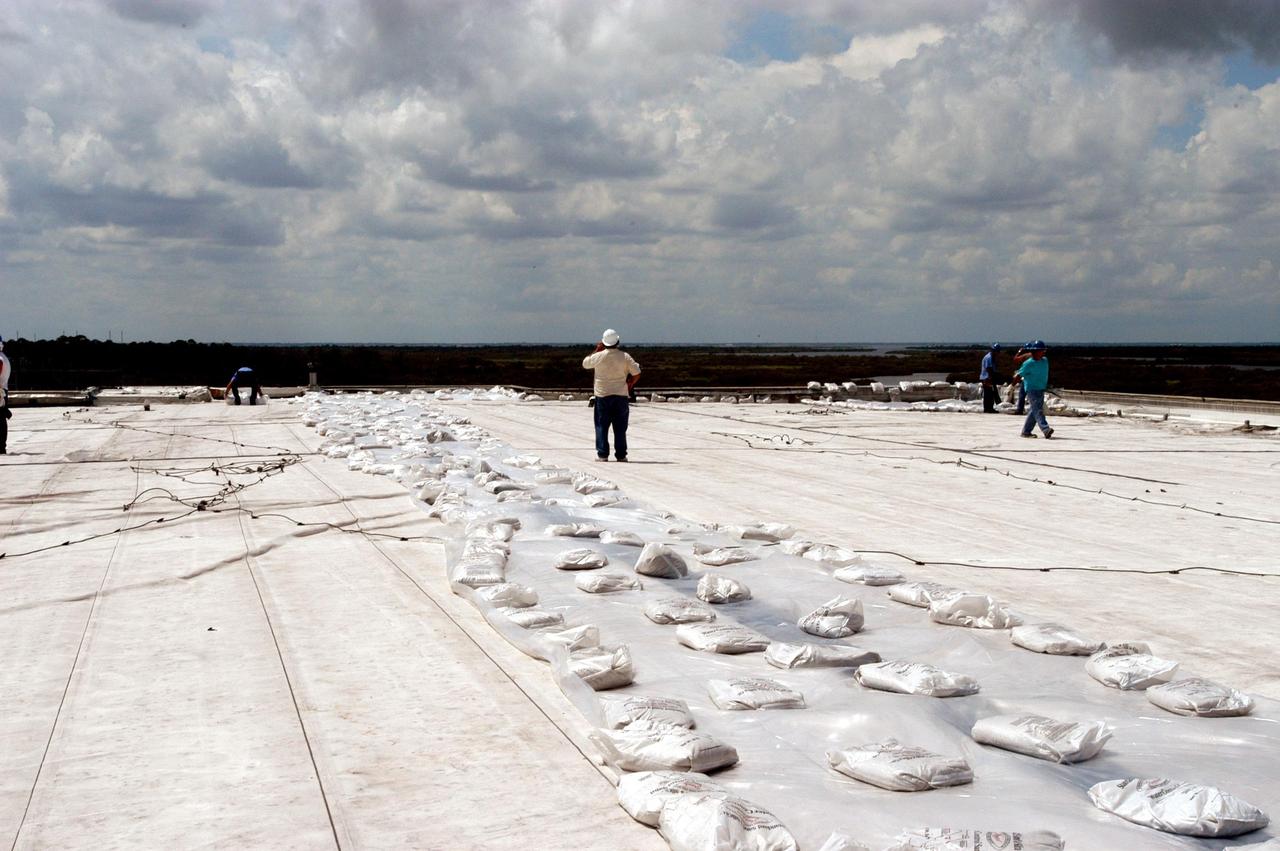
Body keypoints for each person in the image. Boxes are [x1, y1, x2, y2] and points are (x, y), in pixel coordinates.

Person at [582, 328, 640, 461]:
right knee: (620, 427)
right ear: (617, 341)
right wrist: (630, 384)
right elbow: (637, 372)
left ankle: (602, 454)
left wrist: (597, 350)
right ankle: (621, 455)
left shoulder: (599, 356)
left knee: (602, 426)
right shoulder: (625, 357)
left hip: (603, 396)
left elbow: (585, 363)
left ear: (603, 343)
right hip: (620, 396)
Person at [1015, 340, 1054, 439]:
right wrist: (1013, 384)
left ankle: (1026, 431)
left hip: (1040, 388)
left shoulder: (1045, 361)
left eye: (1040, 351)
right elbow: (1019, 374)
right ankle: (1045, 429)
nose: (1037, 353)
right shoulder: (1028, 363)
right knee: (1038, 411)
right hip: (1032, 389)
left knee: (1034, 410)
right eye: (1036, 351)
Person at [979, 343, 1002, 413]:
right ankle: (987, 408)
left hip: (989, 377)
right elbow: (988, 368)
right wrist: (991, 377)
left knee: (991, 393)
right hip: (987, 378)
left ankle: (990, 407)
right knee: (988, 394)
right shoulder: (988, 357)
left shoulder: (992, 357)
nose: (997, 353)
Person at [1011, 343, 1033, 415]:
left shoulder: (1026, 356)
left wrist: (1019, 351)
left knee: (1022, 394)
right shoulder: (1035, 356)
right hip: (1034, 377)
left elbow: (1015, 359)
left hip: (1026, 377)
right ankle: (1034, 409)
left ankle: (1020, 409)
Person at [0, 336, 11, 455]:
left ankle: (1, 447)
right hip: (3, 390)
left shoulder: (0, 359)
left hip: (0, 391)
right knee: (1, 418)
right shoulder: (4, 358)